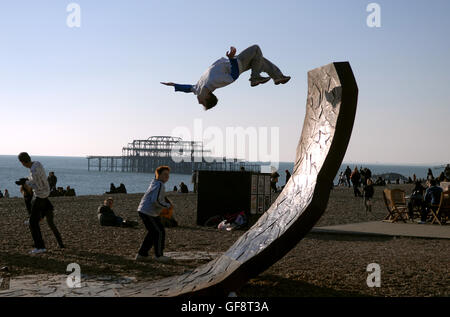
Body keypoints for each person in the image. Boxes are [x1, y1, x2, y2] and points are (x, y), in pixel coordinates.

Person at [161, 45, 291, 110]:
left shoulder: (198, 89)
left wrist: (173, 85)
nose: (199, 102)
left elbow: (187, 88)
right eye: (202, 103)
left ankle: (278, 77)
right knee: (256, 49)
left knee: (260, 60)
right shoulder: (215, 82)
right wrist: (232, 59)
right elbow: (233, 76)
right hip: (237, 63)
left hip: (233, 62)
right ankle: (255, 78)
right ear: (207, 97)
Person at [18, 152, 64, 253]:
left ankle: (40, 247)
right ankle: (38, 218)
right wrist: (27, 180)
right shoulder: (37, 163)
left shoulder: (33, 170)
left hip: (40, 195)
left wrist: (25, 182)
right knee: (36, 217)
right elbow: (39, 180)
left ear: (22, 162)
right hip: (46, 194)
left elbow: (37, 185)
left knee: (32, 223)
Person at [135, 166, 173, 263]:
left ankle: (142, 254)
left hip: (145, 211)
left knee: (153, 232)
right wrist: (167, 205)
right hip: (147, 211)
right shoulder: (159, 184)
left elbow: (156, 199)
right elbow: (155, 200)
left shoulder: (155, 183)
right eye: (164, 174)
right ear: (158, 175)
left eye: (168, 175)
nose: (167, 177)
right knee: (159, 232)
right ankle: (158, 255)